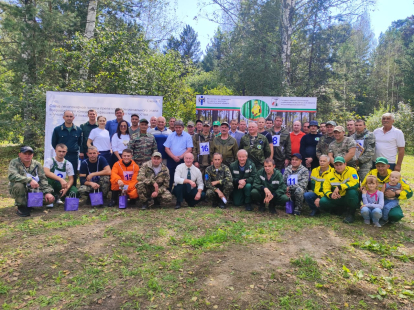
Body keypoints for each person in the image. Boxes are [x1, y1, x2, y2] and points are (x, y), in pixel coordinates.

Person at [361, 157, 412, 224]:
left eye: (383, 166)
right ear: (375, 166)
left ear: (388, 166)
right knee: (358, 193)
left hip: (389, 200)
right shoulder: (372, 173)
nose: (380, 168)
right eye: (378, 166)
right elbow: (363, 185)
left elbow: (409, 192)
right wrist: (364, 189)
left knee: (396, 215)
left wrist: (396, 194)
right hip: (374, 200)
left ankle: (385, 219)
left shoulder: (394, 175)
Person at [9, 146, 55, 217]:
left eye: (29, 154)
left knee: (50, 199)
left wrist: (47, 192)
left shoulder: (37, 164)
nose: (27, 156)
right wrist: (29, 180)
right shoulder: (14, 162)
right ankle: (21, 206)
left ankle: (29, 203)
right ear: (19, 154)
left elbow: (43, 179)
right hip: (20, 189)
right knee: (19, 185)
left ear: (32, 155)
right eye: (25, 153)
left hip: (34, 190)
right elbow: (12, 176)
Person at [319, 156, 360, 223]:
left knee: (352, 192)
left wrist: (340, 187)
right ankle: (339, 209)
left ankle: (351, 213)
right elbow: (325, 188)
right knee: (323, 201)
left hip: (348, 196)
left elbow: (355, 183)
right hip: (338, 197)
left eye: (340, 164)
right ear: (334, 165)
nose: (338, 167)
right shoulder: (330, 174)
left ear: (345, 164)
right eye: (336, 165)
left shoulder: (352, 171)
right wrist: (330, 194)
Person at [51, 110, 83, 186]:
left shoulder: (78, 130)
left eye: (71, 116)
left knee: (73, 173)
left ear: (73, 118)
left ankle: (73, 191)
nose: (69, 118)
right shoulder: (57, 129)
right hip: (61, 155)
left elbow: (80, 143)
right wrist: (60, 152)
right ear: (63, 117)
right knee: (59, 172)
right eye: (67, 116)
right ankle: (58, 189)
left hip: (73, 155)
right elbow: (54, 143)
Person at [164, 120, 193, 189]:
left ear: (183, 128)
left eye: (179, 127)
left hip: (183, 160)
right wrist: (174, 157)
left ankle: (181, 193)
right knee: (170, 176)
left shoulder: (187, 136)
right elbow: (166, 148)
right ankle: (169, 191)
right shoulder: (170, 135)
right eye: (176, 127)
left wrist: (180, 157)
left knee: (182, 176)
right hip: (171, 159)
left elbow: (189, 149)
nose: (178, 129)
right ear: (174, 128)